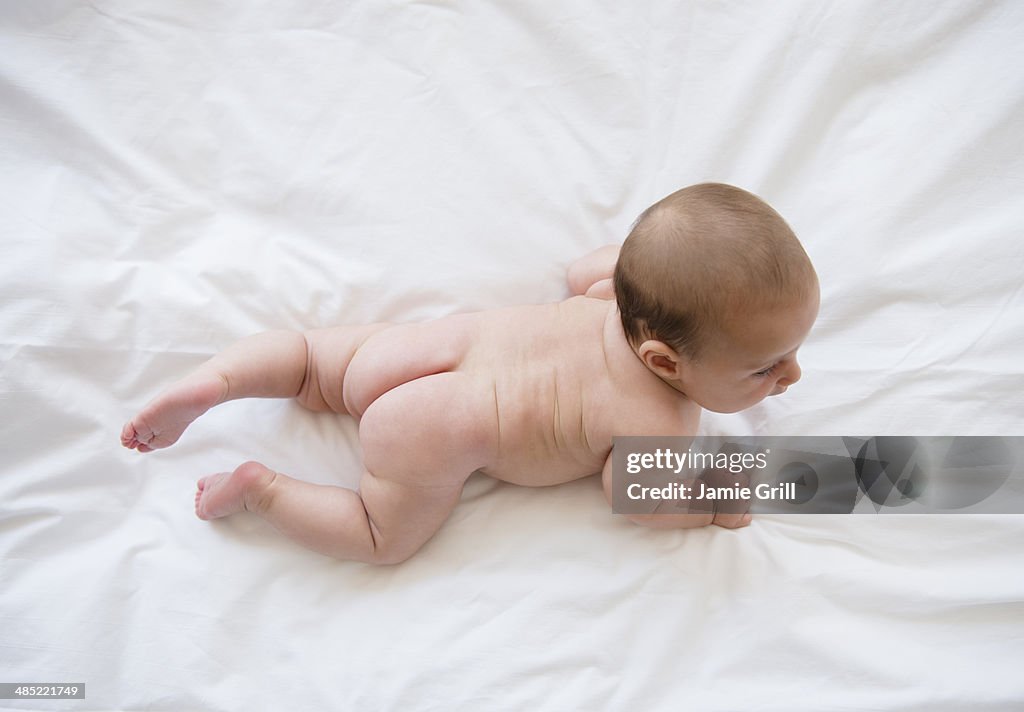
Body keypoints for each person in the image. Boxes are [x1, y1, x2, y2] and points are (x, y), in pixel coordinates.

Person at [121, 183, 819, 564]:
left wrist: (651, 263)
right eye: (763, 368)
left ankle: (220, 381)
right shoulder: (660, 421)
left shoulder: (611, 292)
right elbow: (635, 497)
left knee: (306, 358)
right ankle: (262, 492)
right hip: (432, 431)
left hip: (417, 355)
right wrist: (713, 504)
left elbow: (589, 267)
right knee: (378, 537)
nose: (789, 375)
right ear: (665, 362)